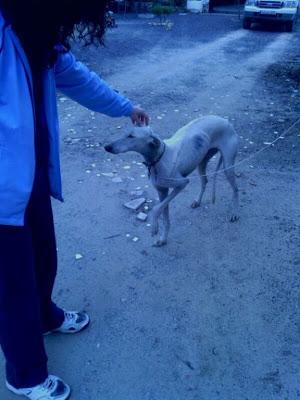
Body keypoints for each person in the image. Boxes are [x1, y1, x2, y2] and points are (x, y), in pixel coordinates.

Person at [0, 1, 149, 399]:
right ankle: (25, 375)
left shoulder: (37, 33)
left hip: (28, 178)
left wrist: (126, 107)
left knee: (44, 254)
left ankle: (45, 316)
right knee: (11, 284)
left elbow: (80, 79)